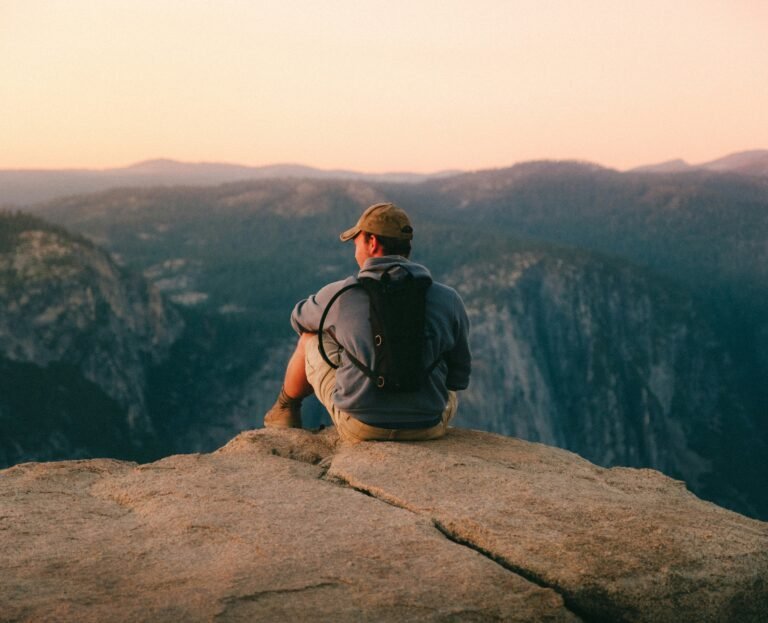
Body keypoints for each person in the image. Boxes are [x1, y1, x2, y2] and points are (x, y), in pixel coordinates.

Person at [263, 202, 471, 442]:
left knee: (311, 337)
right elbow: (458, 377)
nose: (355, 250)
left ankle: (285, 411)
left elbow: (298, 319)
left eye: (357, 242)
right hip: (427, 426)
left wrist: (350, 337)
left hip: (360, 427)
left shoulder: (341, 296)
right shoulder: (449, 298)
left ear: (372, 243)